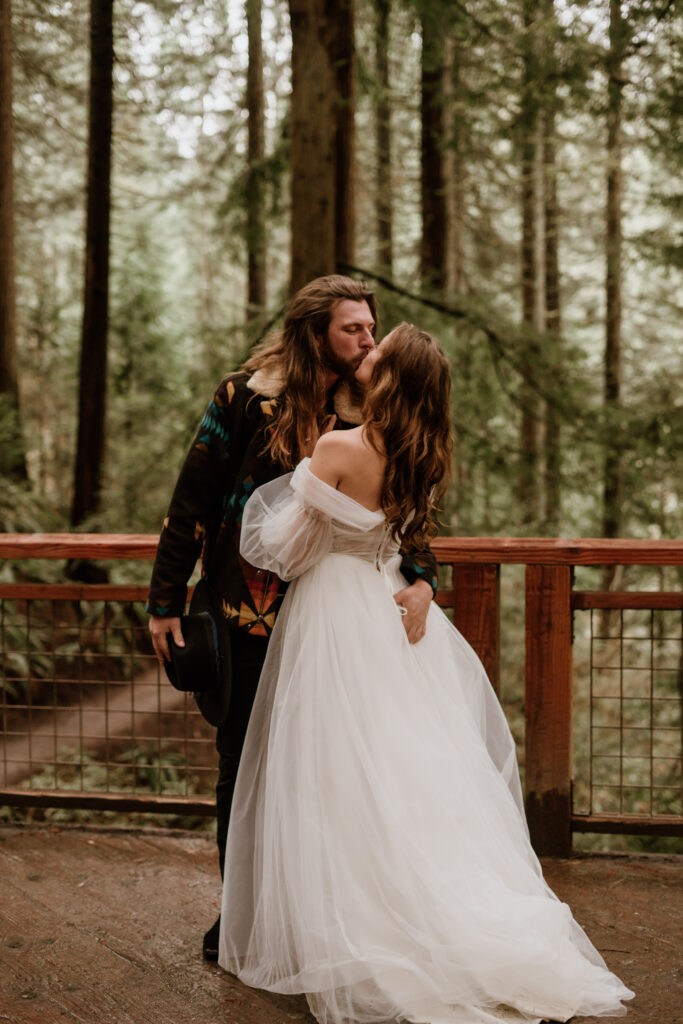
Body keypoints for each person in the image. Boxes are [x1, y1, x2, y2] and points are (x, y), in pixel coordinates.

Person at [218, 324, 634, 1024]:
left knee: (334, 769)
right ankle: (410, 905)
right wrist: (410, 577)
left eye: (375, 358)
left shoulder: (339, 447)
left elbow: (286, 551)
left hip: (335, 610)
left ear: (391, 381)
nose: (364, 360)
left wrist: (294, 499)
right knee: (403, 766)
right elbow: (403, 537)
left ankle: (350, 923)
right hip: (390, 607)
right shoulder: (422, 455)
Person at [146, 277, 438, 961]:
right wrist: (164, 601)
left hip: (341, 627)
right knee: (241, 766)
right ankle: (243, 917)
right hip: (248, 617)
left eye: (371, 328)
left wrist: (423, 580)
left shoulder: (371, 404)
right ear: (315, 333)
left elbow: (401, 506)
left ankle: (324, 921)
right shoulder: (245, 396)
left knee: (332, 772)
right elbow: (193, 498)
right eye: (353, 330)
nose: (368, 339)